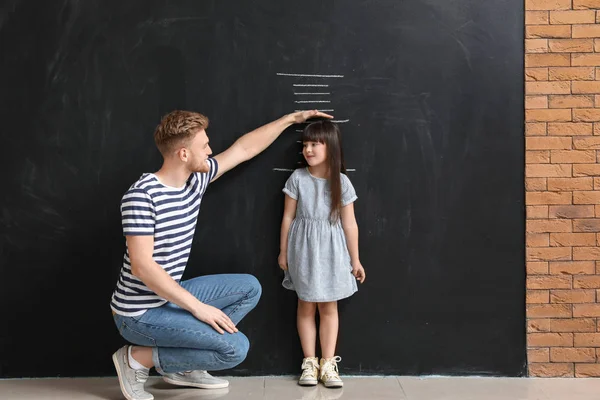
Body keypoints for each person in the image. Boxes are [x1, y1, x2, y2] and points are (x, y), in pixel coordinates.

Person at [110, 109, 332, 400]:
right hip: (138, 314)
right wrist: (197, 308)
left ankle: (185, 366)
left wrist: (292, 119)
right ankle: (136, 360)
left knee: (248, 288)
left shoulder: (194, 181)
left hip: (168, 298)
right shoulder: (142, 196)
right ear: (184, 154)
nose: (211, 151)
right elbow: (142, 267)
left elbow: (243, 149)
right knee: (234, 349)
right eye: (205, 146)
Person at [277, 120, 366, 388]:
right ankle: (309, 363)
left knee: (329, 306)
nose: (308, 149)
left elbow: (349, 223)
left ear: (331, 147)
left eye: (315, 143)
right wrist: (283, 252)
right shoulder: (297, 178)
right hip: (303, 250)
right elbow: (288, 218)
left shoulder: (342, 182)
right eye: (305, 144)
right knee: (305, 304)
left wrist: (356, 259)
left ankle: (328, 364)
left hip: (333, 251)